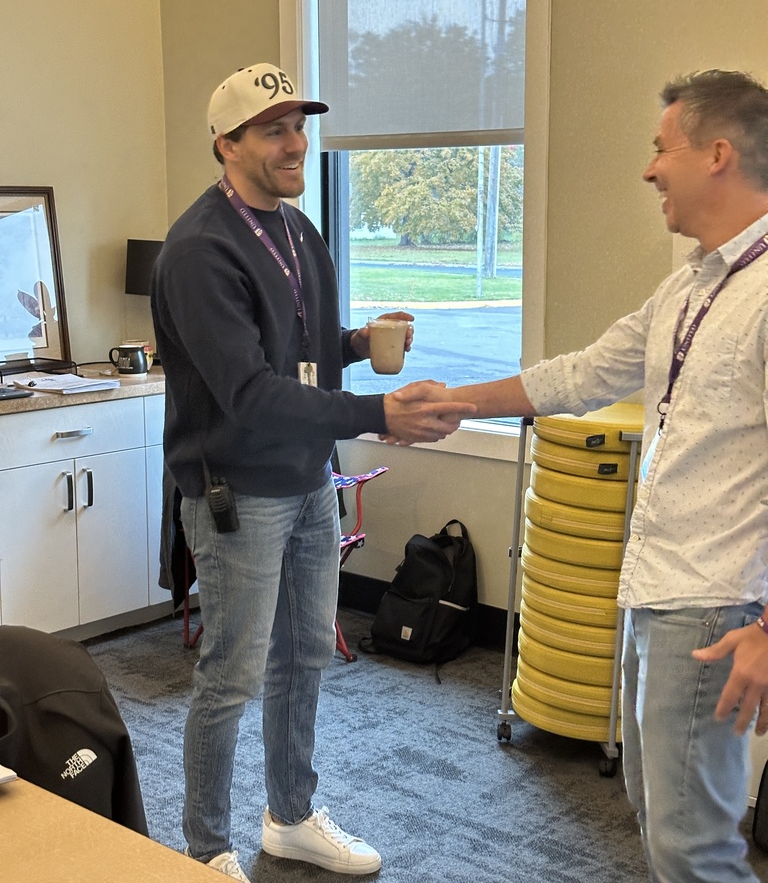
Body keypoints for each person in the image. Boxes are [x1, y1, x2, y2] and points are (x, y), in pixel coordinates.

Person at [394, 70, 768, 882]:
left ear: (717, 154)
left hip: (714, 608)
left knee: (693, 846)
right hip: (656, 595)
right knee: (660, 818)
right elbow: (582, 375)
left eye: (658, 149)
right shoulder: (694, 282)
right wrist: (452, 400)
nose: (647, 170)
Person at [151, 62, 475, 881]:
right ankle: (207, 848)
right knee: (230, 676)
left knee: (307, 658)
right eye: (273, 128)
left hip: (307, 483)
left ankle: (289, 816)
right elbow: (252, 392)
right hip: (237, 493)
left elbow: (293, 356)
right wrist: (378, 413)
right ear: (226, 144)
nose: (296, 142)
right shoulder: (197, 250)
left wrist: (357, 345)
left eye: (299, 124)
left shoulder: (297, 229)